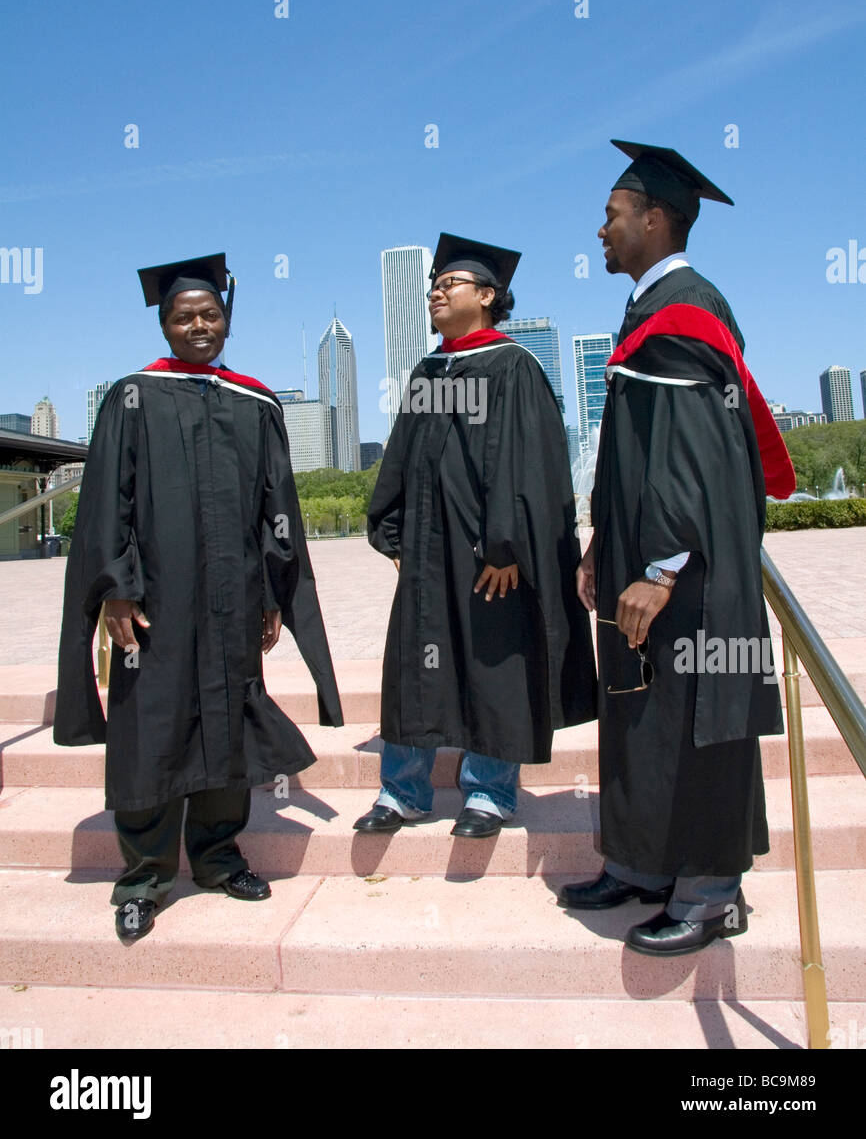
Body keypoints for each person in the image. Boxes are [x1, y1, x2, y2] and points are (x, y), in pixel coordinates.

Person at [55, 253, 343, 943]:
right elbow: (106, 508)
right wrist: (115, 594)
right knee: (150, 731)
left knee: (226, 720)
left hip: (233, 599)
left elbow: (278, 505)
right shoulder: (132, 398)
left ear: (227, 320)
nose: (198, 325)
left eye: (210, 314)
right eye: (184, 316)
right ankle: (144, 878)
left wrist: (274, 591)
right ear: (164, 324)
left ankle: (217, 857)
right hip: (153, 603)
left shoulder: (253, 401)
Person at [561, 141, 795, 955]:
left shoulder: (687, 310)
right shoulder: (650, 311)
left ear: (653, 219)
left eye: (612, 216)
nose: (600, 231)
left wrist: (661, 567)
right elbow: (634, 454)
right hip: (640, 563)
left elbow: (693, 454)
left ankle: (708, 893)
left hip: (685, 578)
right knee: (642, 717)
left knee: (697, 717)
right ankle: (642, 866)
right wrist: (601, 545)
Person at [357, 233, 596, 839]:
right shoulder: (430, 370)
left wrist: (506, 545)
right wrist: (394, 533)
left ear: (487, 295)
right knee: (416, 663)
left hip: (492, 557)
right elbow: (404, 455)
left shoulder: (513, 365)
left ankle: (489, 792)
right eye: (433, 288)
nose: (435, 294)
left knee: (494, 662)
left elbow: (532, 466)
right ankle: (402, 790)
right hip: (429, 552)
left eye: (449, 286)